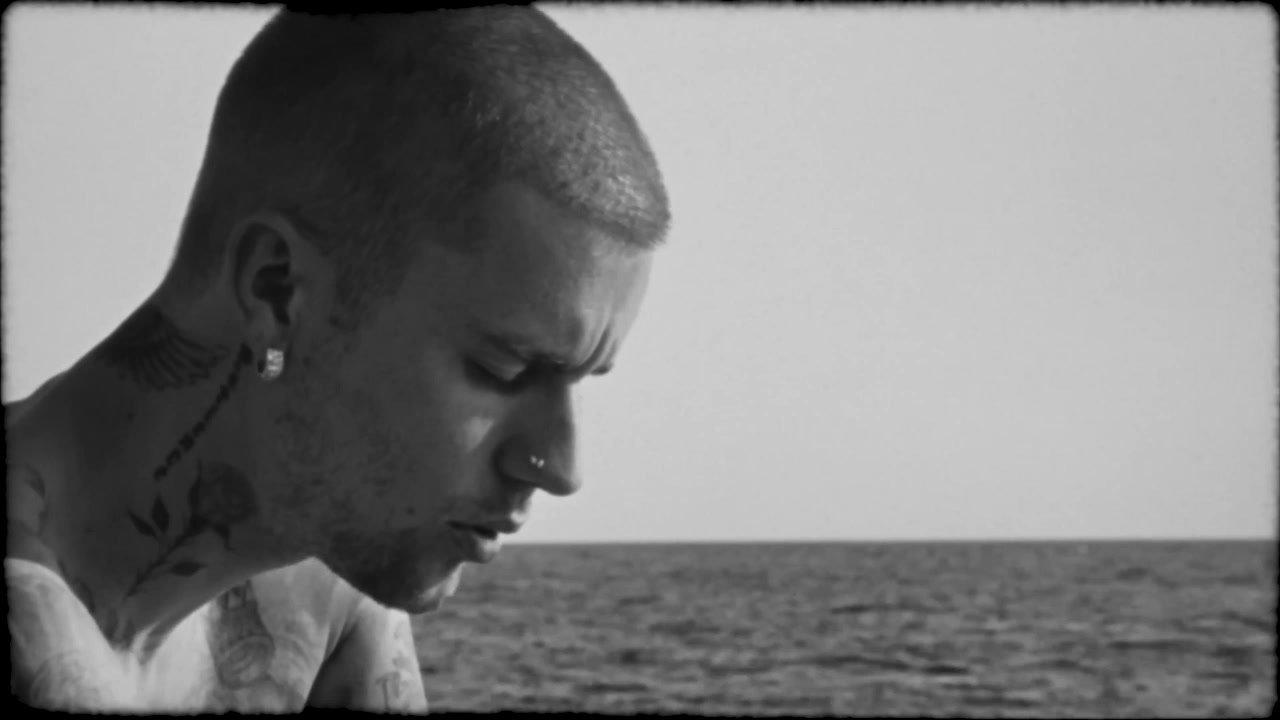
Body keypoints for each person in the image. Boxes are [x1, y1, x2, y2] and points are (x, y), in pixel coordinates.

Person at [6, 7, 669, 713]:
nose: (562, 468)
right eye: (503, 370)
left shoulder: (330, 588)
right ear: (275, 289)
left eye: (579, 380)